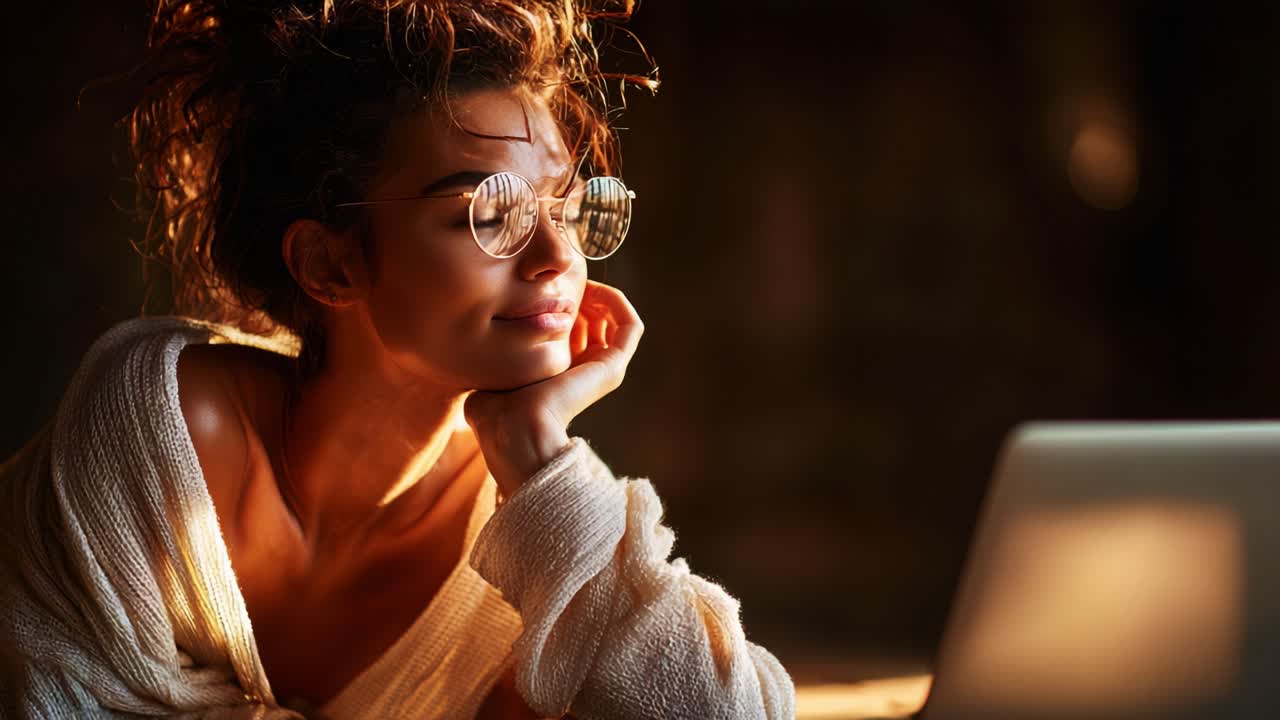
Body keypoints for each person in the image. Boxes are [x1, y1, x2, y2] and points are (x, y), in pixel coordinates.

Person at [0, 1, 796, 718]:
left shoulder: (531, 537)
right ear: (331, 265)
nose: (559, 257)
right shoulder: (162, 427)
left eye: (567, 204)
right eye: (489, 212)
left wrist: (538, 451)